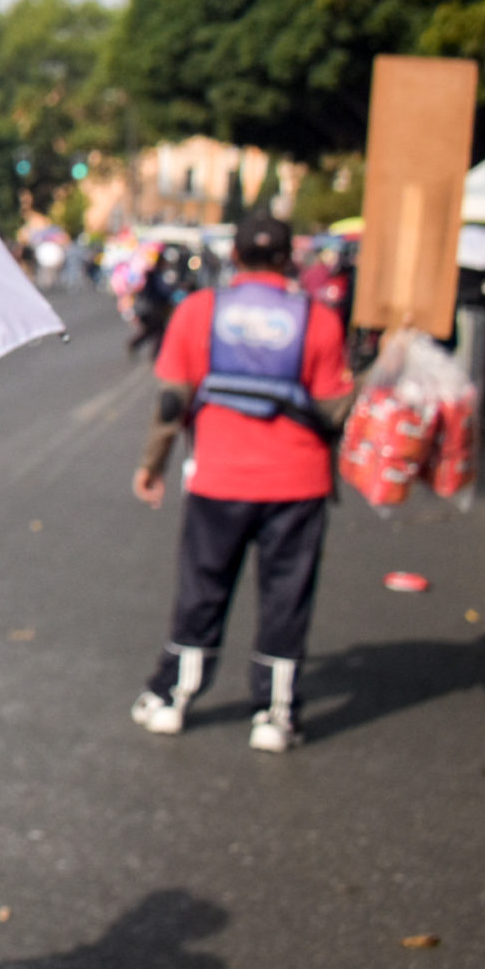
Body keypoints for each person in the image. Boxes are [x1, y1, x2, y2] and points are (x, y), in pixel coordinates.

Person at [128, 211, 354, 753]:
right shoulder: (317, 318)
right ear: (289, 259)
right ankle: (274, 715)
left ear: (234, 257)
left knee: (203, 589)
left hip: (219, 478)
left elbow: (172, 400)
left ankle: (171, 699)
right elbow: (333, 406)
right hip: (297, 483)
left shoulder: (200, 311)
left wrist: (152, 465)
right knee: (285, 597)